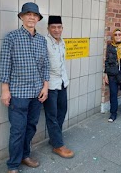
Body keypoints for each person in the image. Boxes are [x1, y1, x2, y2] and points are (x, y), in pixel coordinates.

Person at [0, 2, 50, 173]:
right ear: (21, 17)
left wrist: (45, 86)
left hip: (37, 93)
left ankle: (25, 155)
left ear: (38, 19)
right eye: (28, 14)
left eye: (34, 15)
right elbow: (4, 64)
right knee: (17, 131)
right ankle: (12, 165)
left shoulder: (42, 40)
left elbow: (45, 65)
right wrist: (5, 90)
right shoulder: (11, 37)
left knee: (31, 127)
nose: (31, 17)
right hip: (18, 93)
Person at [43, 15, 75, 158]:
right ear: (48, 28)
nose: (56, 30)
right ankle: (57, 145)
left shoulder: (62, 42)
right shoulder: (44, 42)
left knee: (62, 111)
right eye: (53, 27)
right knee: (52, 115)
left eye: (59, 27)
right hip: (49, 84)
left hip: (62, 82)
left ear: (62, 28)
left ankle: (55, 137)